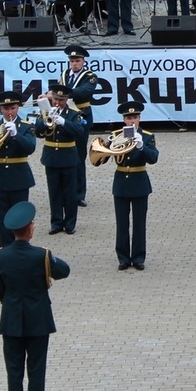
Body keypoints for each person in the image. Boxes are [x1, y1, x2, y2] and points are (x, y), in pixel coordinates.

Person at [0, 201, 71, 391]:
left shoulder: (0, 257)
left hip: (11, 321)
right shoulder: (42, 255)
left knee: (14, 374)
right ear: (30, 229)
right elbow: (63, 271)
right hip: (38, 322)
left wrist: (11, 301)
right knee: (36, 372)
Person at [110, 102, 159, 271]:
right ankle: (123, 258)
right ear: (124, 120)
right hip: (121, 181)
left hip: (139, 181)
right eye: (129, 118)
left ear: (140, 118)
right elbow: (105, 156)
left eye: (135, 118)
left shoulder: (146, 136)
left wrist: (141, 146)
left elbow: (153, 158)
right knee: (121, 223)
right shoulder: (116, 135)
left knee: (139, 223)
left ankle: (138, 257)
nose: (132, 121)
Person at [0, 91, 37, 249]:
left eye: (13, 108)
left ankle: (21, 248)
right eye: (6, 109)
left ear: (18, 108)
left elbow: (30, 148)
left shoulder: (26, 126)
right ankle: (4, 249)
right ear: (0, 109)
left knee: (20, 217)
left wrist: (15, 134)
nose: (9, 112)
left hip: (19, 176)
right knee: (1, 217)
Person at [37, 84, 86, 235]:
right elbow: (38, 131)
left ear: (66, 100)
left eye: (61, 100)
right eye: (55, 99)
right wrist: (46, 120)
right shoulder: (46, 112)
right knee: (54, 192)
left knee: (69, 192)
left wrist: (63, 122)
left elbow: (79, 131)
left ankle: (70, 223)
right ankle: (56, 222)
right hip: (51, 156)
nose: (57, 103)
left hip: (68, 156)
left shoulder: (73, 113)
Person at [60, 45, 98, 208]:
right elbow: (59, 91)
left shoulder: (90, 76)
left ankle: (79, 194)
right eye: (72, 61)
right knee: (66, 155)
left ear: (83, 61)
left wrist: (60, 93)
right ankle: (66, 192)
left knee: (78, 157)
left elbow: (83, 92)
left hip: (81, 116)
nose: (74, 64)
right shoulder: (65, 74)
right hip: (67, 117)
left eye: (77, 61)